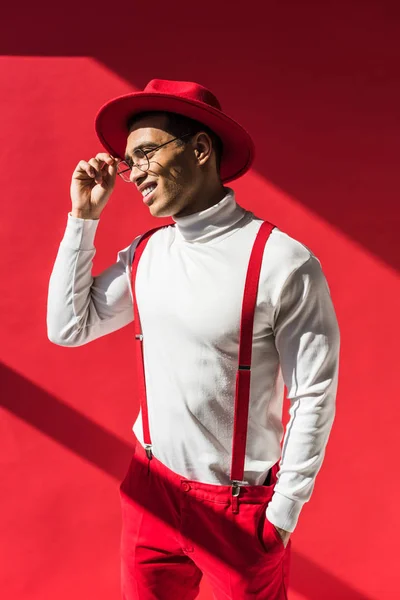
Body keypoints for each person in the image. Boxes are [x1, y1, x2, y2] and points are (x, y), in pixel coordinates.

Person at [47, 79, 340, 600]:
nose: (132, 173)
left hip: (239, 508)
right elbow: (68, 328)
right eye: (126, 161)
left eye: (144, 154)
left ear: (200, 148)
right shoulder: (146, 253)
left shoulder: (281, 261)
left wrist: (282, 516)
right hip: (149, 490)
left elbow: (313, 393)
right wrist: (83, 217)